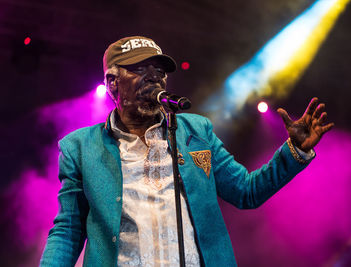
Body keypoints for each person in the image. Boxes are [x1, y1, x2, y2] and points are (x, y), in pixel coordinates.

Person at [40, 36, 334, 267]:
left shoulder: (196, 132)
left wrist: (294, 150)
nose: (154, 77)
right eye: (140, 69)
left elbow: (247, 191)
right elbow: (68, 231)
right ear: (112, 83)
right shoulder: (79, 147)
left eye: (159, 71)